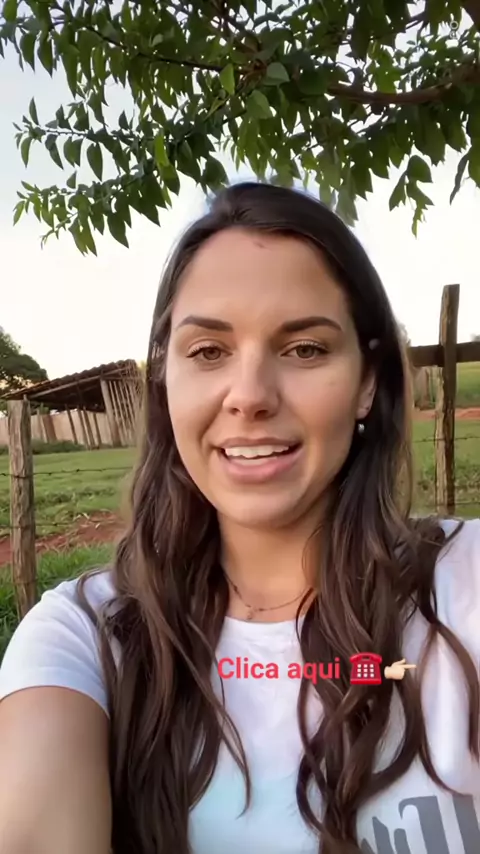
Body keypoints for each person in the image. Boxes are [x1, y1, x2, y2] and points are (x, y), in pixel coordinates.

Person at [0, 182, 479, 854]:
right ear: (165, 380)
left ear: (367, 382)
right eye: (208, 351)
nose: (249, 396)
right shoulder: (84, 641)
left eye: (304, 348)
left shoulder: (467, 586)